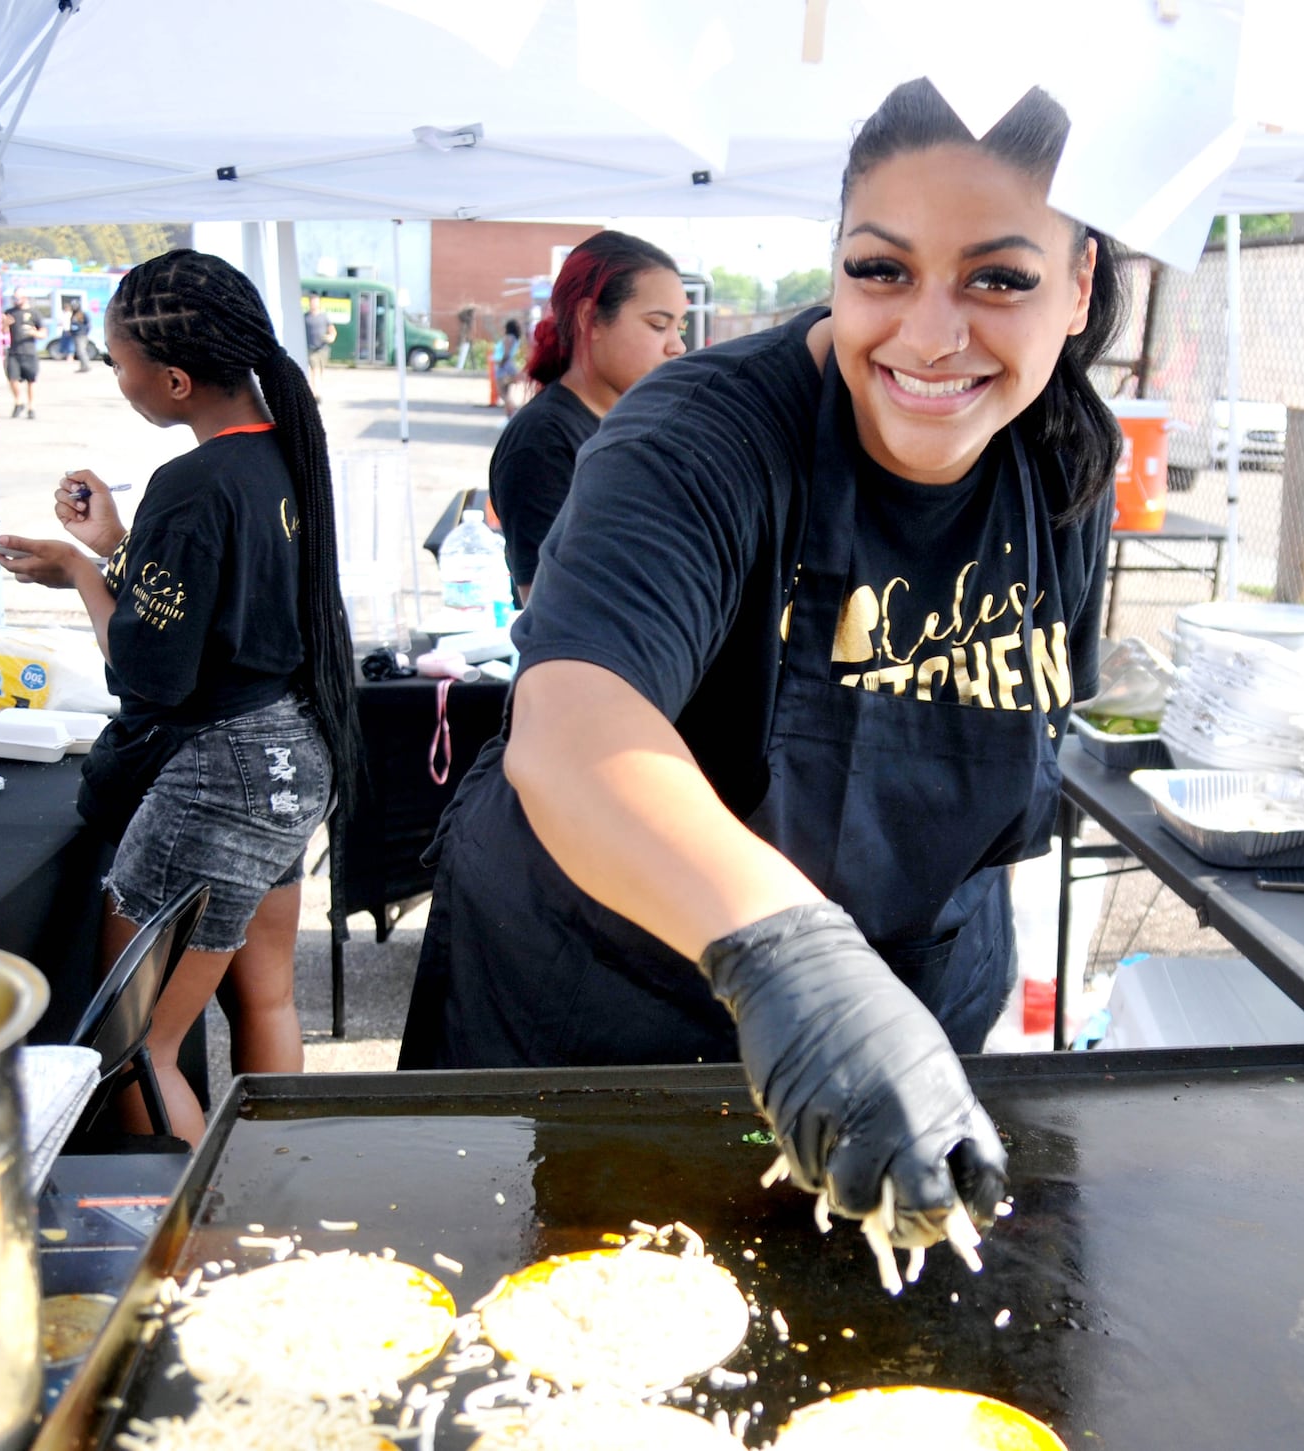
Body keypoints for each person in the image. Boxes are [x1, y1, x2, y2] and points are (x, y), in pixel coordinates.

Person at [398, 79, 1127, 1257]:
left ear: (1080, 282)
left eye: (999, 278)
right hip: (619, 1012)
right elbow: (574, 727)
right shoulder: (703, 433)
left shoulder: (1060, 456)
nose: (931, 336)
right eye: (881, 270)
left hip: (918, 1002)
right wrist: (794, 954)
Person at [0, 249, 359, 1148]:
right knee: (265, 995)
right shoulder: (285, 457)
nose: (118, 381)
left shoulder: (191, 484)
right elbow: (218, 608)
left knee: (135, 1051)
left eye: (119, 364)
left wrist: (82, 569)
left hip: (220, 778)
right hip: (292, 760)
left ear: (177, 378)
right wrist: (119, 545)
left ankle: (207, 1253)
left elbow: (150, 674)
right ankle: (282, 1188)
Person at [490, 231, 689, 603]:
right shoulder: (543, 441)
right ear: (591, 319)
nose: (677, 345)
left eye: (681, 326)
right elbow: (552, 609)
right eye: (658, 324)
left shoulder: (638, 427)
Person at [3, 290, 43, 419]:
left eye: (18, 297)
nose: (16, 300)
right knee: (12, 379)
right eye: (14, 298)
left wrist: (34, 333)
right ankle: (18, 402)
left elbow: (43, 333)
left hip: (29, 352)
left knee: (31, 380)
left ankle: (31, 407)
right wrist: (5, 324)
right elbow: (3, 331)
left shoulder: (34, 313)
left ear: (25, 297)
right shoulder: (10, 312)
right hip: (14, 351)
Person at [304, 294, 336, 400]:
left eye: (316, 302)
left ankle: (316, 391)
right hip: (310, 349)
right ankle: (315, 393)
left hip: (322, 349)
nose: (313, 304)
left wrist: (331, 337)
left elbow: (332, 330)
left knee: (319, 371)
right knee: (314, 370)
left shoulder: (324, 317)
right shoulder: (305, 317)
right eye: (312, 302)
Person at [493, 317, 522, 419]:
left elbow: (506, 352)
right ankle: (509, 414)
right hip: (508, 366)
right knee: (507, 392)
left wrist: (501, 363)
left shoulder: (508, 338)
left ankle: (512, 412)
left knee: (502, 392)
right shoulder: (515, 339)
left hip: (503, 367)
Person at [68, 302, 92, 371]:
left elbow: (88, 325)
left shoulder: (83, 314)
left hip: (81, 335)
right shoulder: (73, 314)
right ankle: (82, 367)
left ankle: (86, 366)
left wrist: (84, 332)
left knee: (81, 351)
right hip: (75, 335)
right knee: (79, 351)